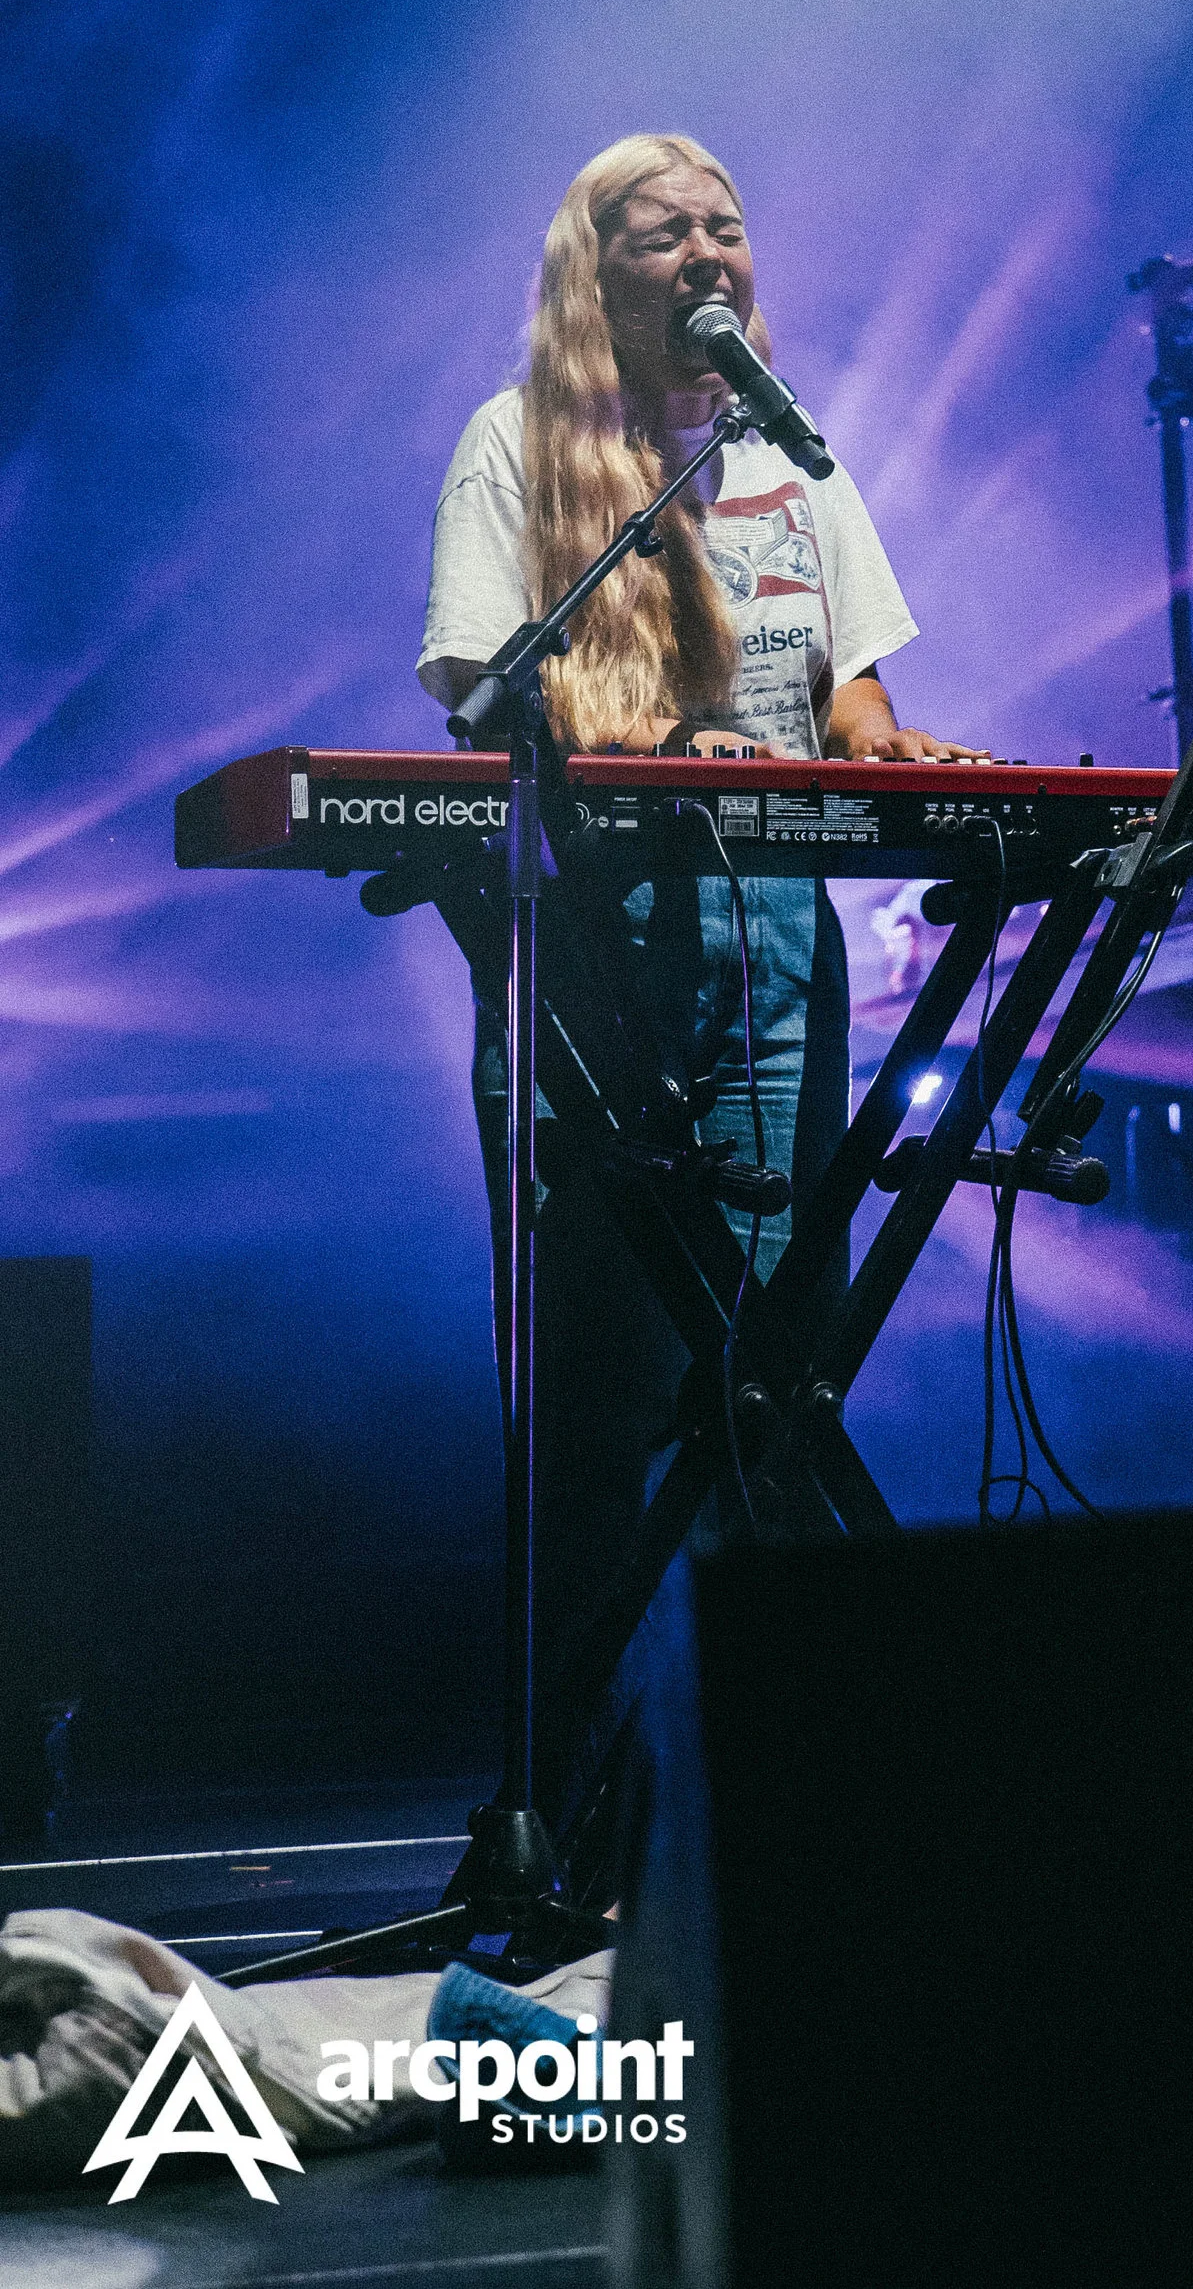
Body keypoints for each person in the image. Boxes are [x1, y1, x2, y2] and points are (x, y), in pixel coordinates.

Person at [417, 130, 983, 1836]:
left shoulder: (794, 460)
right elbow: (471, 684)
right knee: (603, 1412)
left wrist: (897, 753)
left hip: (782, 972)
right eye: (669, 235)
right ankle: (567, 1813)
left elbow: (859, 709)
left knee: (771, 1391)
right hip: (605, 974)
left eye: (729, 229)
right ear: (599, 273)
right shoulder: (520, 445)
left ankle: (782, 1811)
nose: (710, 257)